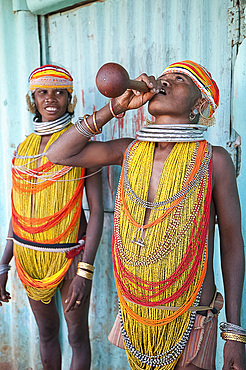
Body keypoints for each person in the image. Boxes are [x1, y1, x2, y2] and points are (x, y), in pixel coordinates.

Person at [45, 60, 246, 370]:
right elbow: (59, 154)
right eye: (162, 77)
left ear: (200, 103)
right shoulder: (131, 151)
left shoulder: (214, 160)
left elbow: (232, 242)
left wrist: (234, 333)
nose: (163, 81)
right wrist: (113, 108)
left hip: (191, 310)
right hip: (137, 308)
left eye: (178, 79)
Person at [0, 65, 104, 370]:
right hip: (29, 256)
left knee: (76, 337)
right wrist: (4, 262)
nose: (51, 98)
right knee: (46, 333)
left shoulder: (81, 144)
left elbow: (96, 210)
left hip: (70, 257)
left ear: (69, 98)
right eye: (42, 91)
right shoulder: (24, 149)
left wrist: (85, 270)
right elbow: (19, 211)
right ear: (32, 98)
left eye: (60, 91)